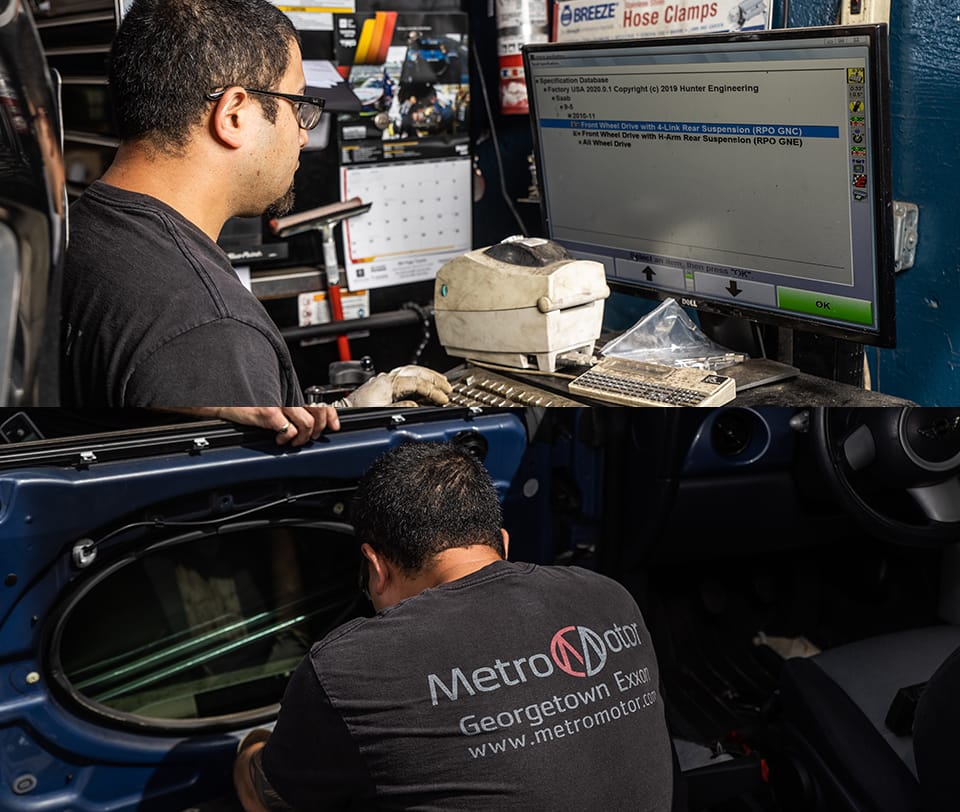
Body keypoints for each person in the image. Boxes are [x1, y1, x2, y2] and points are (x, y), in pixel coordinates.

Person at [60, 0, 451, 439]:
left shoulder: (82, 227)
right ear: (233, 116)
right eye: (298, 107)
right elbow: (259, 500)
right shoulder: (210, 328)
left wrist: (336, 411)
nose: (304, 134)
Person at [233, 441, 675, 810]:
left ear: (375, 566)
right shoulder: (609, 596)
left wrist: (249, 748)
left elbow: (269, 797)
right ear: (501, 543)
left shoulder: (349, 668)